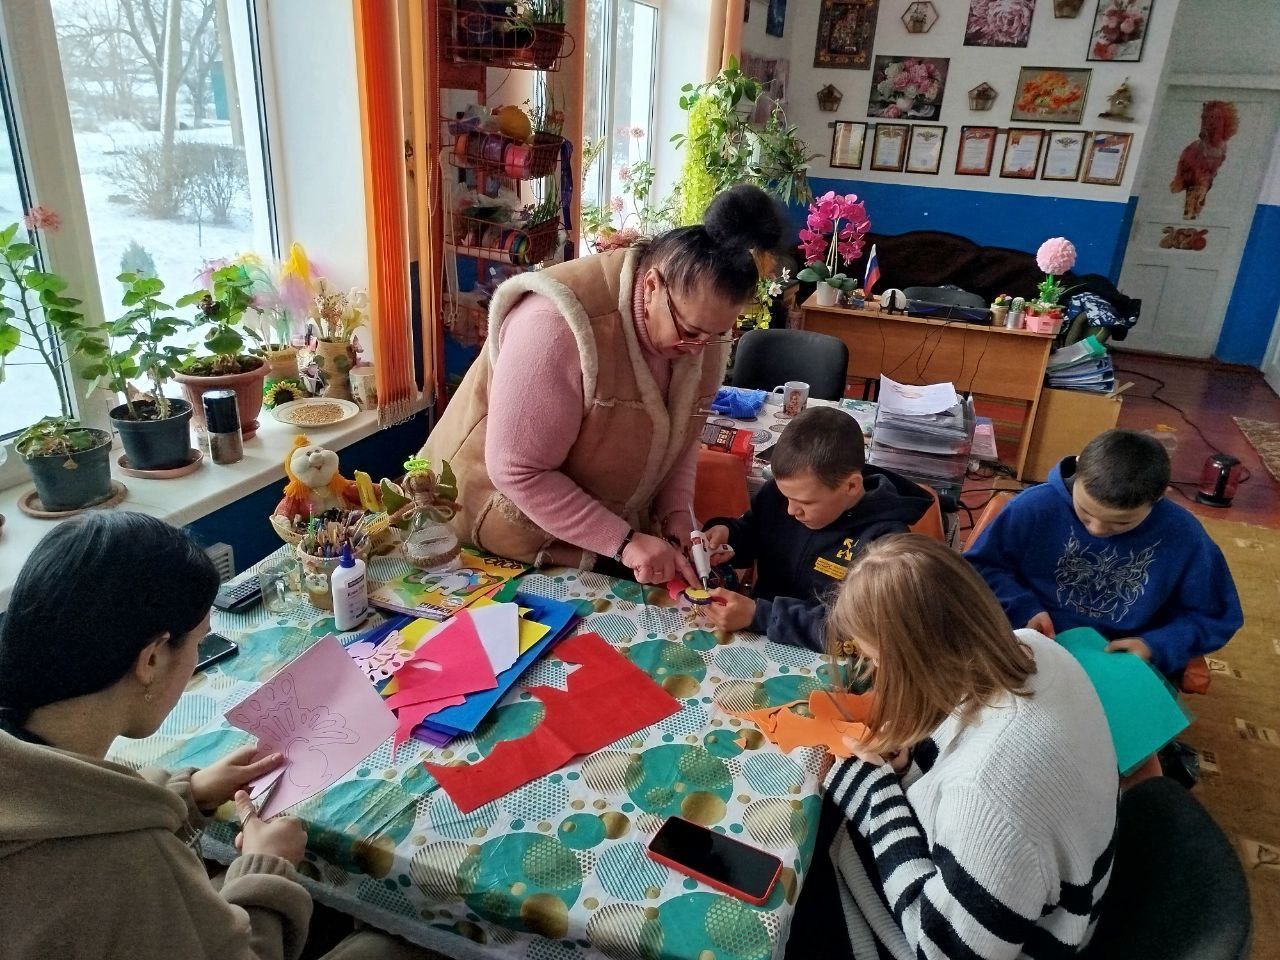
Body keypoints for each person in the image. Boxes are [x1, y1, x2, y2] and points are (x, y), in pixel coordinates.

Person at [0, 512, 437, 960]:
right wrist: (267, 867)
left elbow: (85, 809)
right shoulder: (128, 865)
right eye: (199, 642)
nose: (196, 657)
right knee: (395, 944)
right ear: (151, 660)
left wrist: (186, 795)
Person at [421, 185, 785, 586]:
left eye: (716, 336)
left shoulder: (700, 327)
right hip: (486, 532)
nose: (698, 349)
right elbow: (518, 471)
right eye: (690, 332)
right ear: (651, 287)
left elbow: (681, 434)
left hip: (590, 531)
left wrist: (677, 514)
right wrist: (624, 542)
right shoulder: (554, 326)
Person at [808, 535, 1118, 960]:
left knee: (801, 871)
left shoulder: (987, 792)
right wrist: (909, 770)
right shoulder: (1033, 647)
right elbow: (964, 761)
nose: (875, 674)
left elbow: (940, 950)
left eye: (878, 660)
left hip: (1005, 941)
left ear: (914, 658)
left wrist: (873, 792)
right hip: (1036, 894)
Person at [966, 429, 1243, 678]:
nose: (1097, 529)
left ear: (1158, 498)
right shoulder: (1035, 507)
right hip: (1027, 644)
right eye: (1085, 513)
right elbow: (981, 568)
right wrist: (1023, 607)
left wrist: (1156, 646)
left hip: (1119, 665)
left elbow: (1215, 616)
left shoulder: (1184, 535)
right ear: (1078, 472)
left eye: (1121, 523)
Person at [702, 406, 931, 648]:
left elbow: (860, 629)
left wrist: (760, 615)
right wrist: (730, 535)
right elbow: (755, 532)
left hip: (827, 653)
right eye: (786, 497)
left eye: (806, 502)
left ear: (851, 486)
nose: (790, 510)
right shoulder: (780, 497)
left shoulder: (885, 543)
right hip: (758, 632)